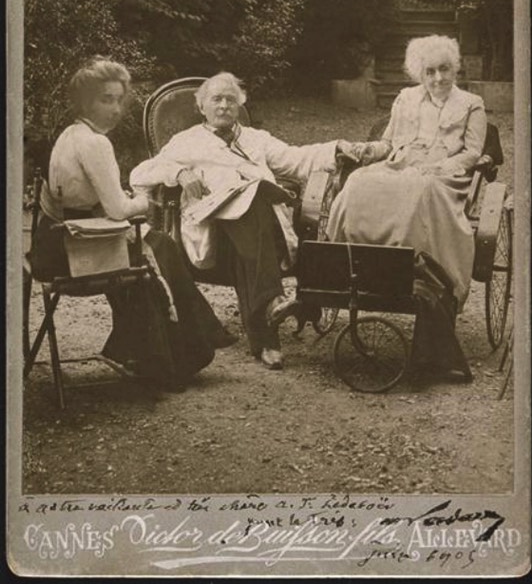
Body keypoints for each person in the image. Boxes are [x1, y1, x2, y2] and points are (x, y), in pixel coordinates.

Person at [29, 56, 236, 392]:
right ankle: (175, 357)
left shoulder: (72, 133)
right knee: (158, 249)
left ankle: (159, 350)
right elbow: (118, 210)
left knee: (158, 246)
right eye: (104, 99)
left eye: (118, 99)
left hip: (52, 242)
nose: (114, 108)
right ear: (85, 101)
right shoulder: (95, 143)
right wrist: (143, 201)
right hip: (71, 252)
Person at [130, 72, 356, 370]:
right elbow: (139, 174)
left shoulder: (256, 140)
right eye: (216, 99)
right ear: (202, 107)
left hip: (259, 234)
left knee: (255, 198)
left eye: (230, 100)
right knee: (252, 203)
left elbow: (297, 158)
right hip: (213, 233)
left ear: (240, 106)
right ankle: (271, 310)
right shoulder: (185, 142)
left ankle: (268, 330)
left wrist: (336, 148)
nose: (224, 105)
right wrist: (179, 174)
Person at [327, 35, 487, 308]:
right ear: (420, 74)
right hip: (399, 165)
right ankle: (350, 263)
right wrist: (366, 150)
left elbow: (472, 152)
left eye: (444, 69)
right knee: (357, 181)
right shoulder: (406, 98)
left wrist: (441, 166)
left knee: (420, 189)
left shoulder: (472, 103)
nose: (438, 78)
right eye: (430, 71)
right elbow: (388, 143)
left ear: (455, 68)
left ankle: (413, 271)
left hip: (444, 174)